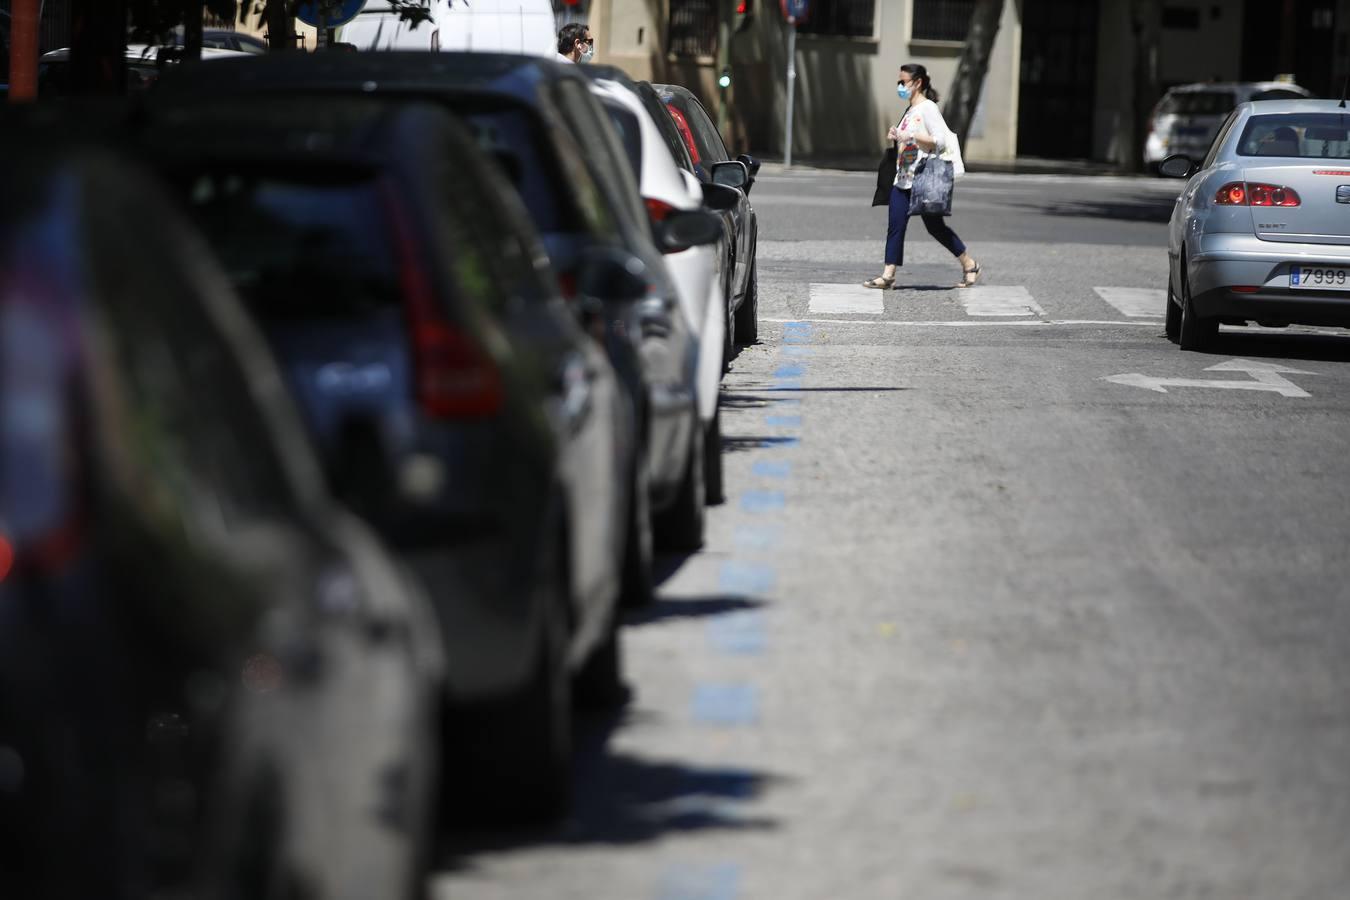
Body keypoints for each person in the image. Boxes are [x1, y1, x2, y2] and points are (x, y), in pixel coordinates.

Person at [863, 63, 981, 290]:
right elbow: (907, 141)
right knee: (895, 225)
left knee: (935, 228)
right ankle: (888, 275)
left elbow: (939, 140)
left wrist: (911, 135)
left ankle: (969, 263)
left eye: (903, 82)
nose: (900, 86)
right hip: (903, 178)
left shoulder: (928, 108)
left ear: (917, 83)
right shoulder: (910, 110)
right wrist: (896, 136)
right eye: (899, 81)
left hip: (922, 180)